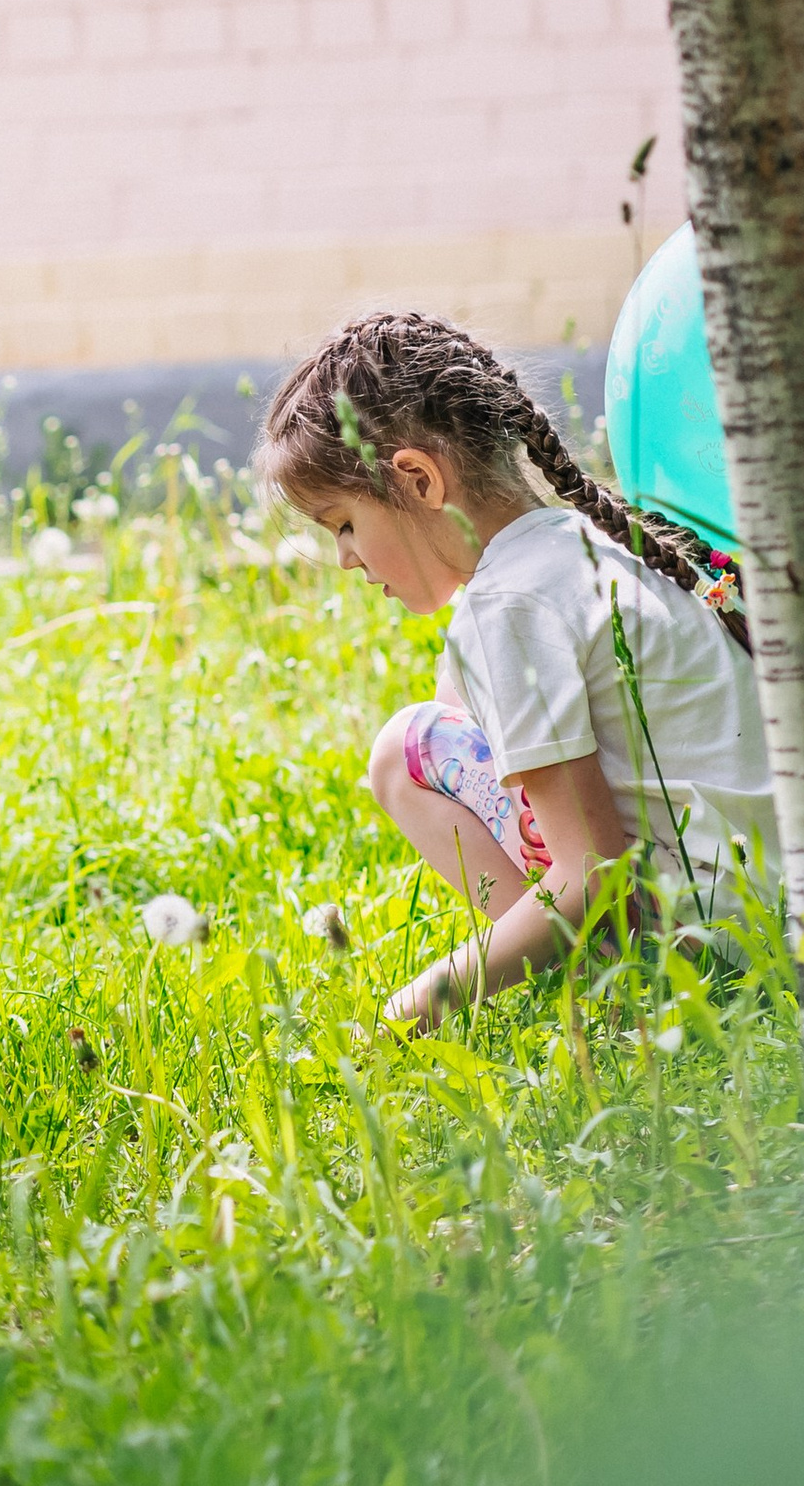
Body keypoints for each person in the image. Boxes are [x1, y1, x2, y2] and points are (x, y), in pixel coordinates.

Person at [256, 310, 777, 1030]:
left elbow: (590, 873)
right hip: (783, 922)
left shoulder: (510, 603)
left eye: (344, 522)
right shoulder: (602, 542)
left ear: (416, 481)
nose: (346, 557)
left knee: (404, 752)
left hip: (708, 961)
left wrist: (419, 1004)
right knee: (452, 725)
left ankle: (608, 985)